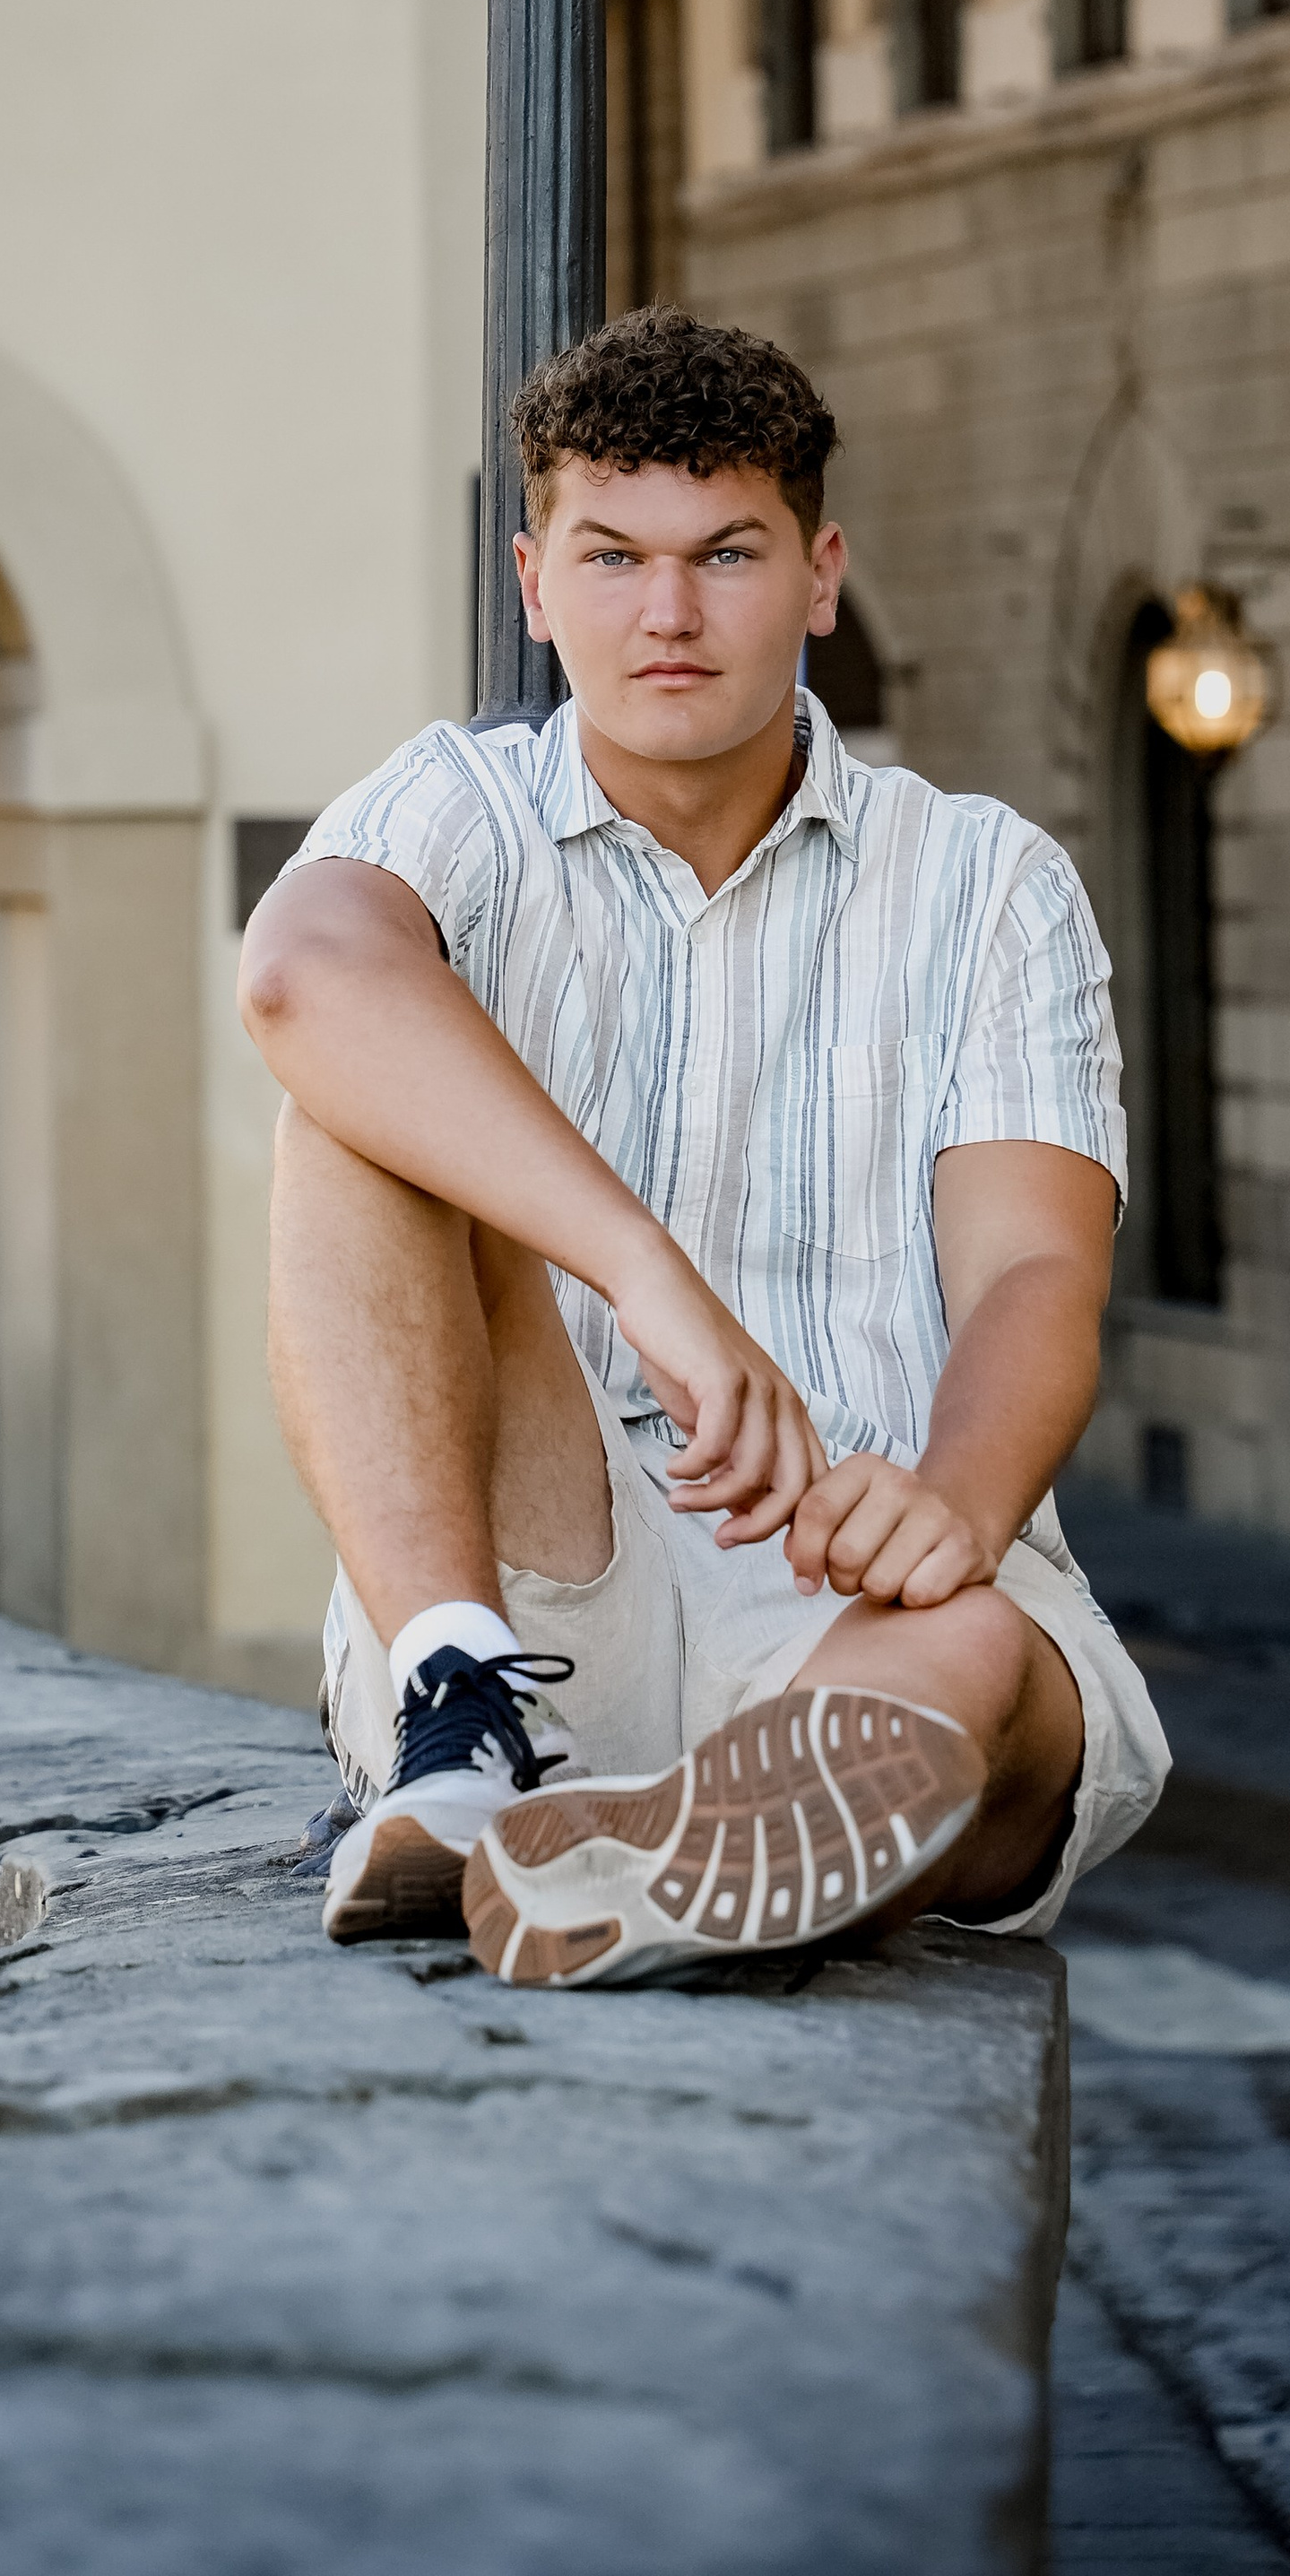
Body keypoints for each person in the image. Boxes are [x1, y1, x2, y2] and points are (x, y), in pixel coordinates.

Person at [239, 308, 1168, 1988]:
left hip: (858, 1577)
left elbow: (1038, 1267)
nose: (667, 614)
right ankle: (462, 1728)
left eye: (726, 555)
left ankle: (689, 1853)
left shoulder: (985, 882)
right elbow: (301, 977)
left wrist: (956, 1500)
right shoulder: (456, 813)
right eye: (613, 558)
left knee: (969, 1668)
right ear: (535, 585)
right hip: (539, 1577)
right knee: (350, 1113)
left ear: (820, 577)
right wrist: (647, 1276)